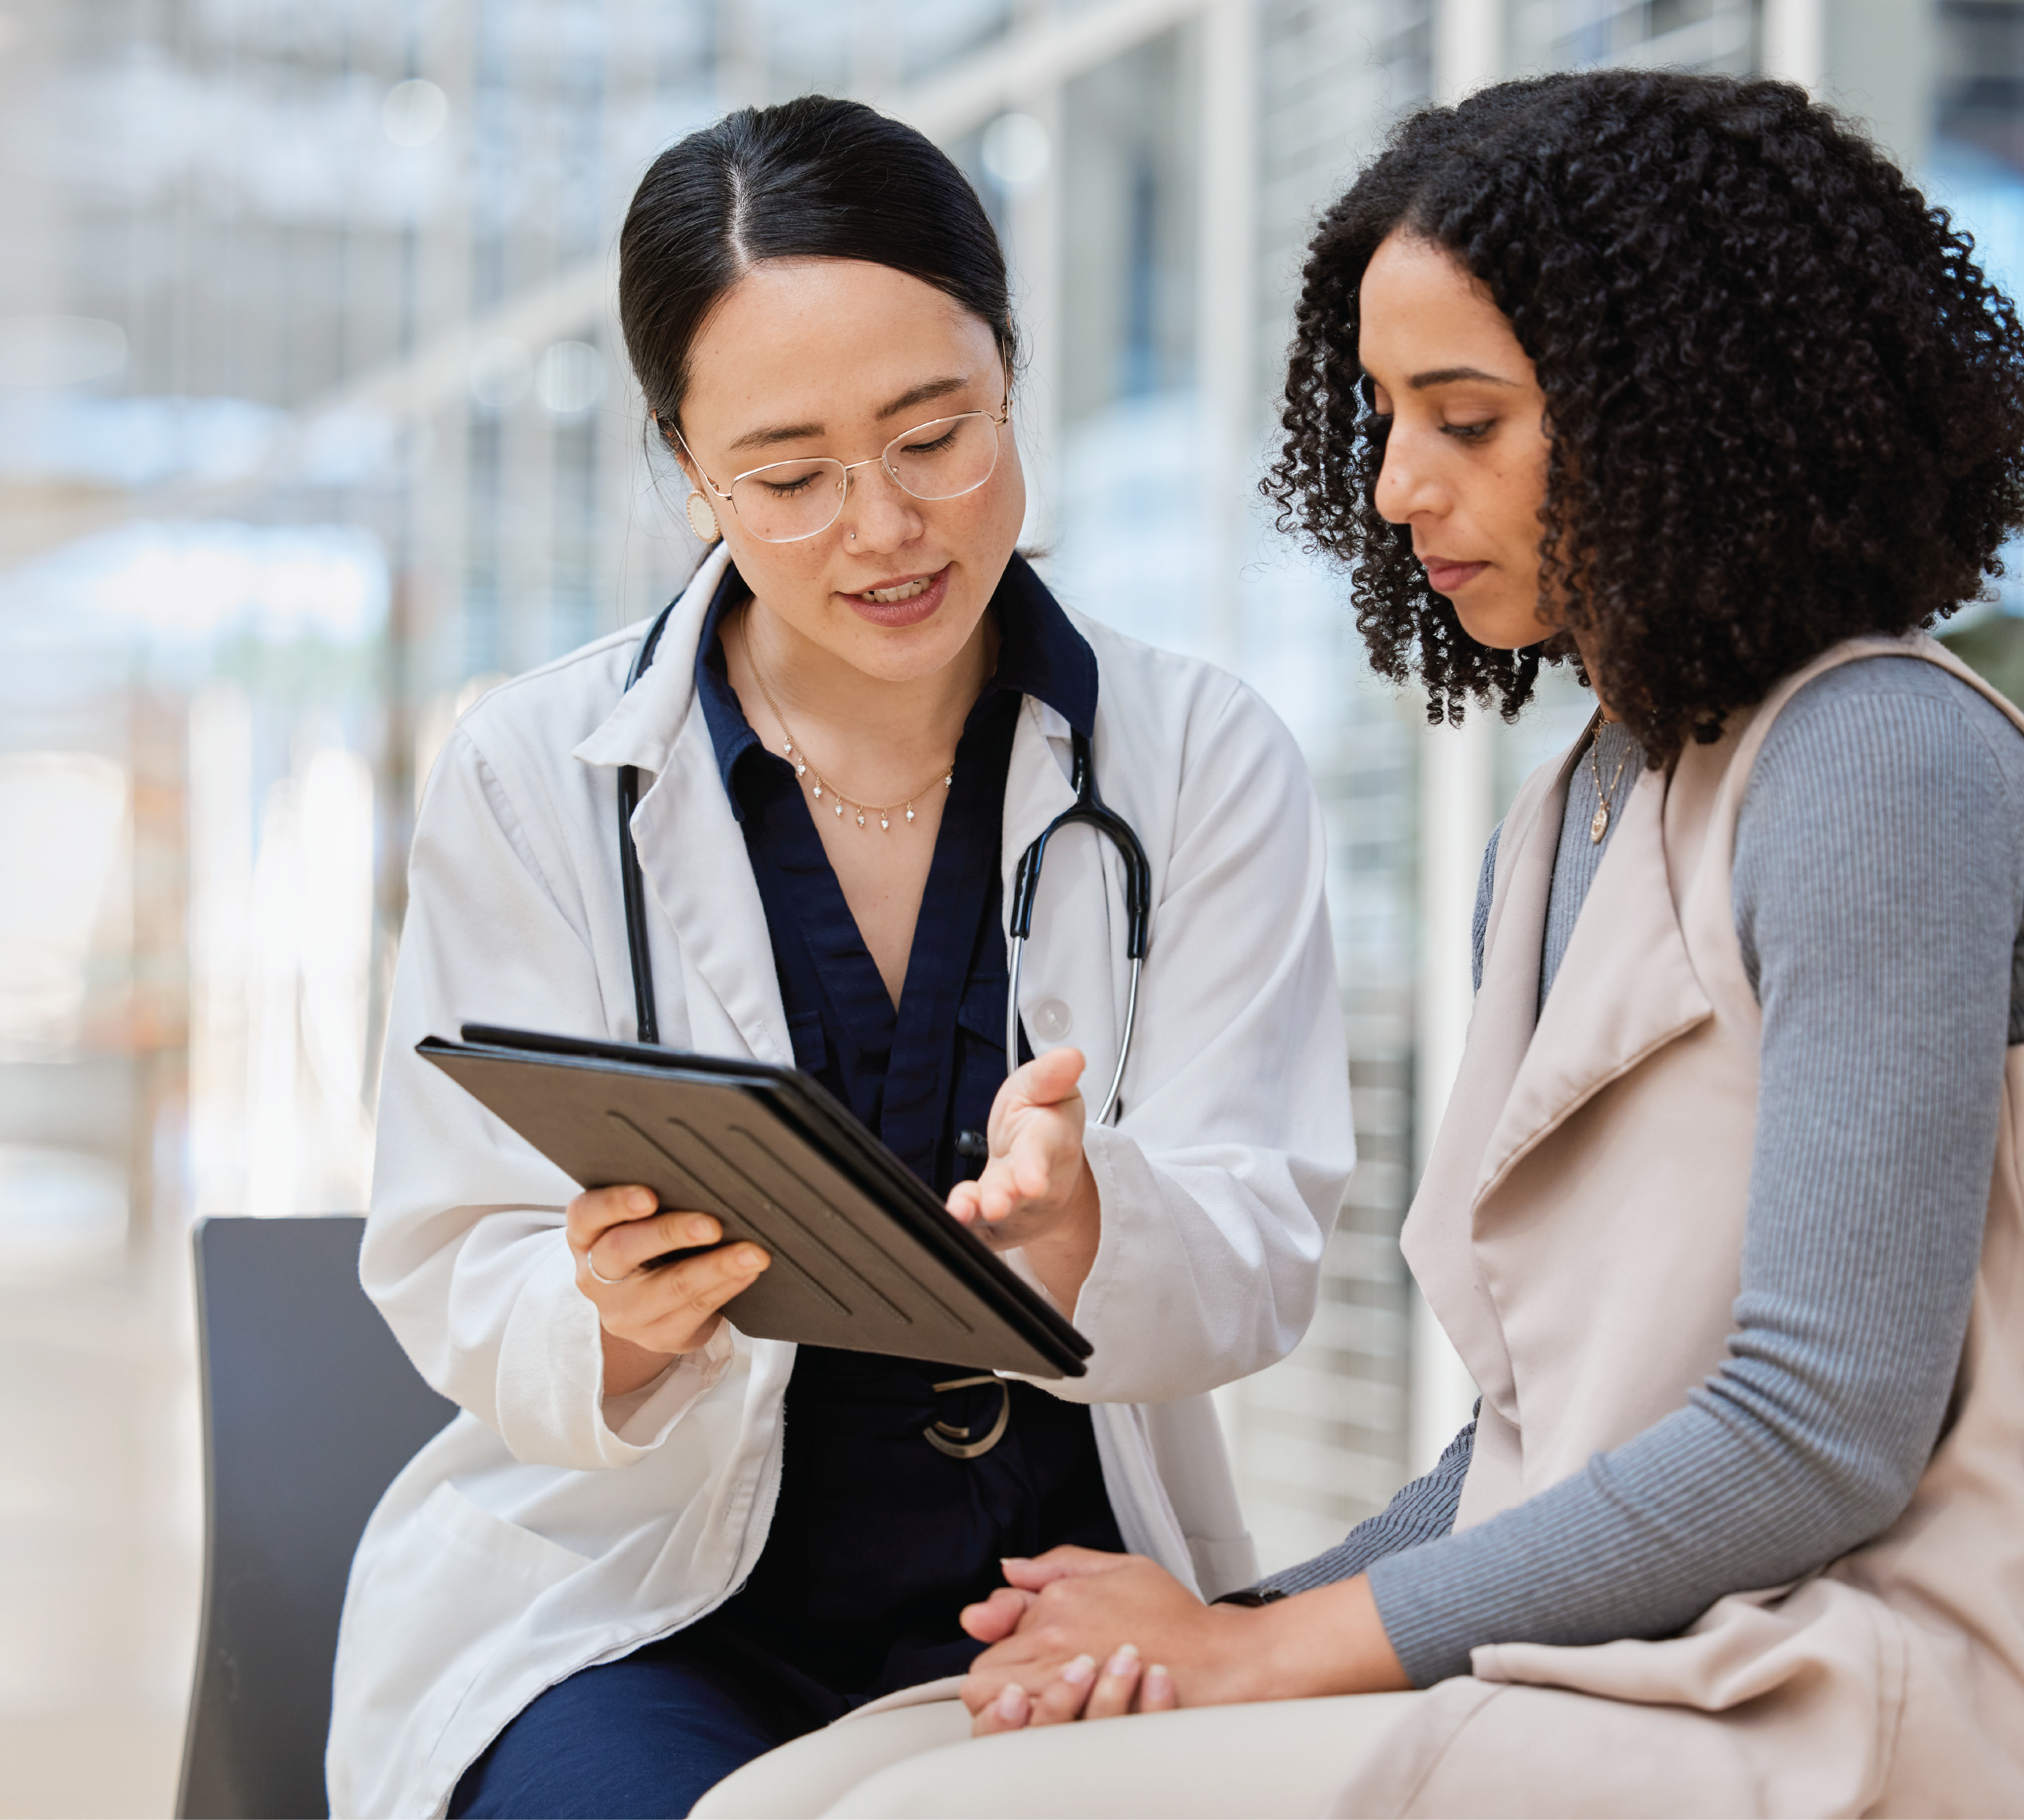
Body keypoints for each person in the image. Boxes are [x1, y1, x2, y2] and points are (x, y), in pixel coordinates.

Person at [690, 69, 2024, 1820]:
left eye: (1464, 419)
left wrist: (1268, 1655)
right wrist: (1223, 1621)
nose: (1391, 486)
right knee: (814, 1778)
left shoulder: (1874, 765)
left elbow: (1812, 1430)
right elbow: (1530, 1443)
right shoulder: (1577, 806)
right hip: (1644, 1654)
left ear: (1674, 415)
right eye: (1377, 415)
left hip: (1867, 1678)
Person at [323, 96, 1355, 1820]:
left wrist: (1101, 1230)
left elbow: (1262, 1240)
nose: (881, 526)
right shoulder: (534, 769)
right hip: (638, 1608)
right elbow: (449, 1249)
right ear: (686, 468)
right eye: (789, 478)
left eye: (934, 434)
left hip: (1060, 1580)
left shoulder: (1203, 759)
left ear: (1010, 373)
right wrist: (614, 1322)